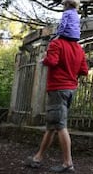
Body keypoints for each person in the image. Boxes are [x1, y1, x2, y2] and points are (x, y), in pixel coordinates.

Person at [25, 36, 89, 173]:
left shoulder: (57, 43)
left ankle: (68, 163)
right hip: (70, 90)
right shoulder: (79, 48)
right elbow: (84, 71)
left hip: (57, 89)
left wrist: (44, 59)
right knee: (52, 125)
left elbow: (52, 61)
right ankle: (38, 157)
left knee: (59, 126)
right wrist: (71, 69)